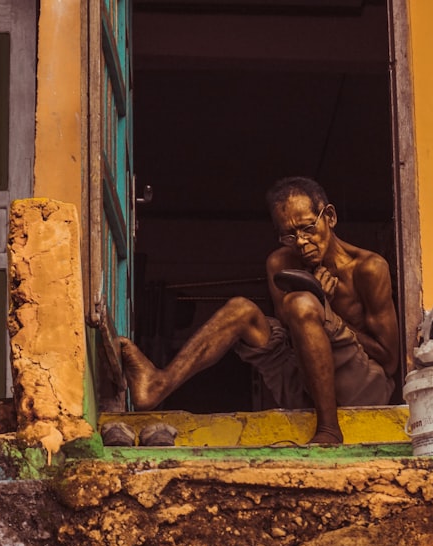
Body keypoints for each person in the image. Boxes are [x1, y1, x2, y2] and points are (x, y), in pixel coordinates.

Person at [119, 176, 400, 444]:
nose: (301, 242)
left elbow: (389, 360)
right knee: (241, 308)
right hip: (306, 385)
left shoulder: (368, 269)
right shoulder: (280, 262)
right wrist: (315, 310)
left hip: (363, 387)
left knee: (301, 303)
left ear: (330, 217)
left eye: (307, 228)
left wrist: (331, 317)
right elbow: (287, 337)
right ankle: (156, 385)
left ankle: (328, 429)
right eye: (289, 235)